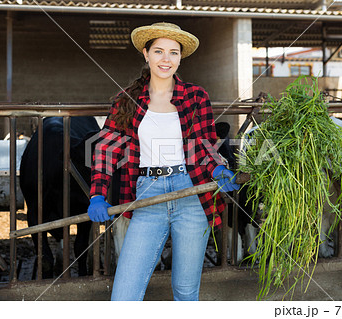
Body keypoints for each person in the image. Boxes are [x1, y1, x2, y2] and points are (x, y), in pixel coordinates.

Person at [87, 22, 239, 301]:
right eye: (159, 51)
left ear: (181, 57)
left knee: (185, 292)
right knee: (124, 296)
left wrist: (218, 168)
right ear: (146, 54)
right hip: (148, 193)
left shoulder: (196, 97)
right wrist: (97, 193)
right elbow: (106, 149)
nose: (166, 59)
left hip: (192, 193)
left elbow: (203, 145)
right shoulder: (127, 100)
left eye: (173, 52)